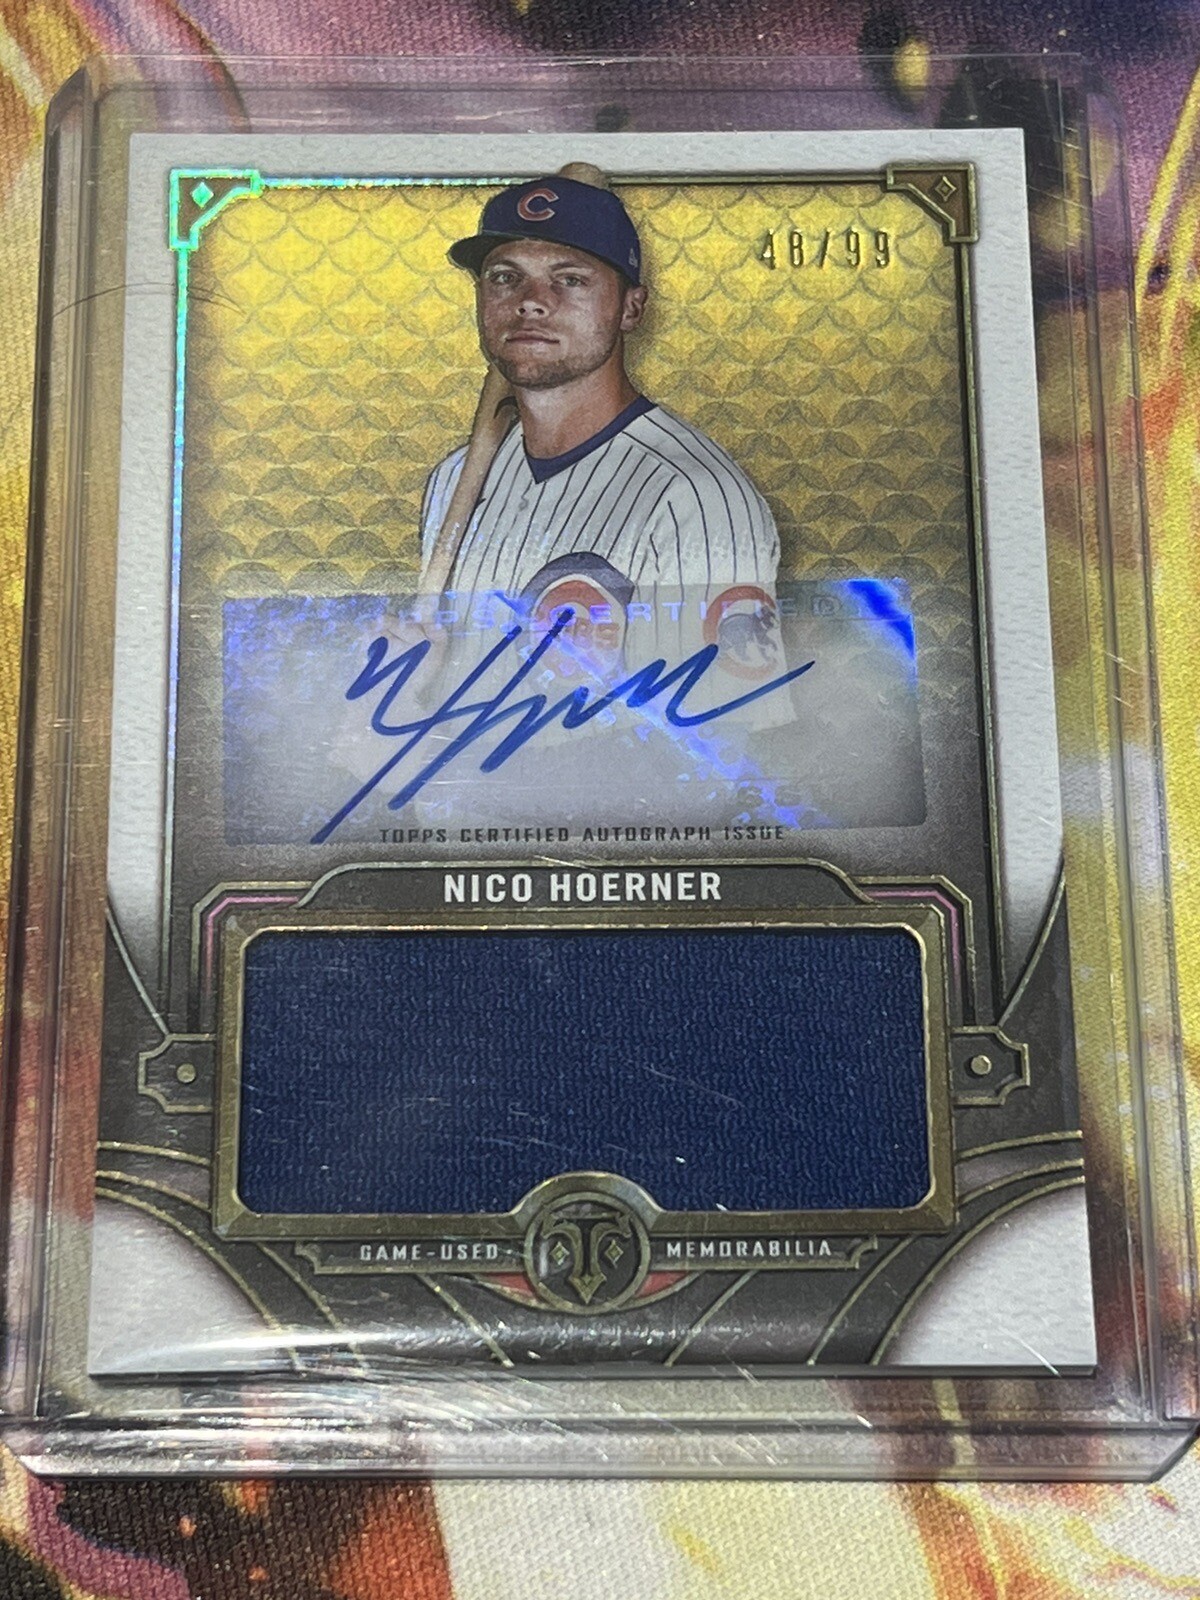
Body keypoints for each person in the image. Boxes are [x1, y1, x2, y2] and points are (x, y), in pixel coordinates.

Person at [420, 174, 781, 649]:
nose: (530, 302)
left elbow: (716, 699)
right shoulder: (453, 480)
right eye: (506, 277)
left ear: (632, 308)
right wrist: (412, 685)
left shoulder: (698, 501)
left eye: (570, 280)